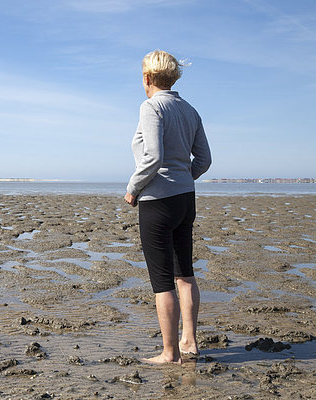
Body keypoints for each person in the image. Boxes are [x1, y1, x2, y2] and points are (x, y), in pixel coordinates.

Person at [124, 50, 212, 364]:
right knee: (185, 274)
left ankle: (170, 352)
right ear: (173, 77)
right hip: (185, 200)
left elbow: (153, 157)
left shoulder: (151, 106)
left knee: (162, 281)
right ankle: (189, 342)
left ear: (147, 78)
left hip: (157, 202)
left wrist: (133, 188)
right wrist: (184, 179)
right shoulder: (189, 109)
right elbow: (204, 160)